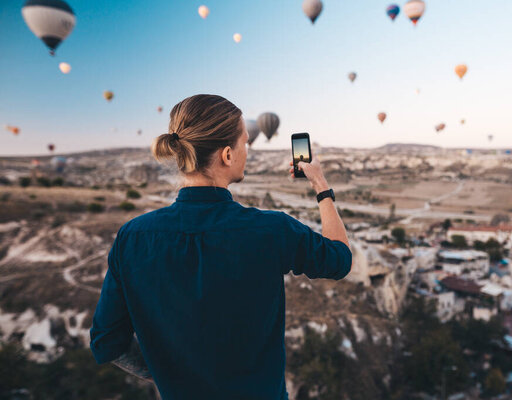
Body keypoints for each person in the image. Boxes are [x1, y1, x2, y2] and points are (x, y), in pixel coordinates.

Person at [89, 94, 352, 400]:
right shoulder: (271, 230)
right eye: (245, 142)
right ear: (228, 154)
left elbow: (106, 341)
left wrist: (167, 370)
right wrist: (321, 186)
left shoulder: (132, 238)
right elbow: (339, 259)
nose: (247, 151)